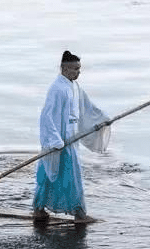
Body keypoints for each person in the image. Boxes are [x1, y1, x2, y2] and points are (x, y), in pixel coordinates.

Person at [32, 50, 111, 223]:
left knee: (57, 175)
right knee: (62, 176)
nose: (79, 72)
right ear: (65, 69)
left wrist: (102, 119)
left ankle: (41, 209)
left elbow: (87, 108)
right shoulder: (57, 89)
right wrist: (54, 141)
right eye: (75, 69)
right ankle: (78, 214)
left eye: (79, 68)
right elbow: (46, 116)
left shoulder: (75, 87)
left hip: (71, 140)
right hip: (59, 142)